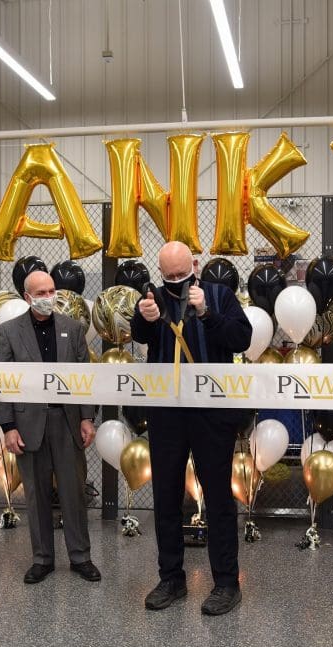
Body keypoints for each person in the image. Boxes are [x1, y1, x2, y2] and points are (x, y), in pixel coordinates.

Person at [130, 241, 252, 616]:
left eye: (183, 275)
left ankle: (227, 584)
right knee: (166, 496)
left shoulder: (219, 294)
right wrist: (143, 319)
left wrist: (207, 313)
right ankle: (171, 578)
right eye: (170, 277)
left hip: (211, 413)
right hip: (168, 413)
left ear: (195, 266)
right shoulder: (152, 298)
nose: (177, 282)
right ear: (160, 272)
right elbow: (141, 337)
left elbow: (241, 339)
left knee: (218, 497)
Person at [0, 270, 99, 585]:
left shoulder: (73, 328)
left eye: (51, 290)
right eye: (40, 292)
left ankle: (81, 557)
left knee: (73, 492)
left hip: (67, 421)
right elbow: (1, 382)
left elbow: (85, 377)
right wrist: (8, 426)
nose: (47, 297)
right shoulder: (9, 332)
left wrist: (87, 417)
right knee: (37, 495)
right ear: (27, 297)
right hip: (28, 424)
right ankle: (42, 559)